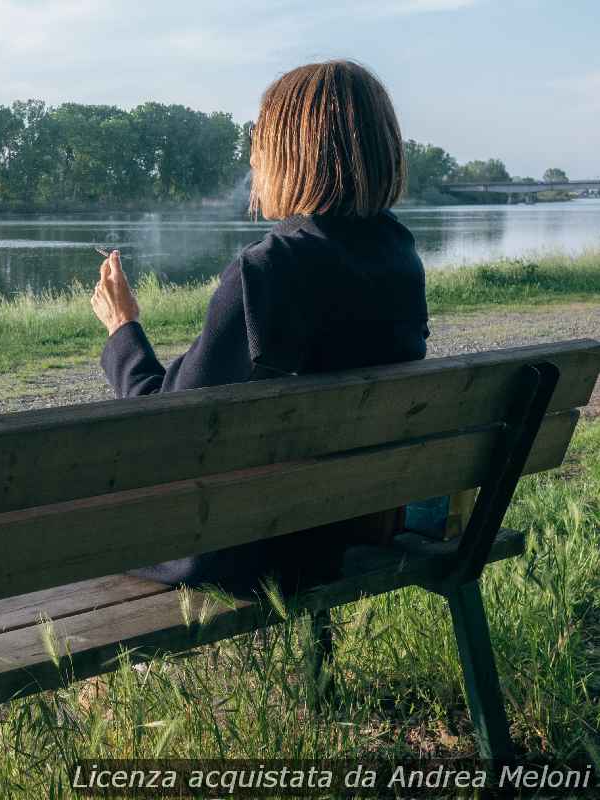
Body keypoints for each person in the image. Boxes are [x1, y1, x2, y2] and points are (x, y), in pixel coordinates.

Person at [90, 60, 430, 593]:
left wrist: (123, 330)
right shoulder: (399, 254)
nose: (253, 159)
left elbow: (169, 424)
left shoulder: (269, 270)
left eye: (260, 143)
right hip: (346, 527)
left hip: (250, 544)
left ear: (290, 154)